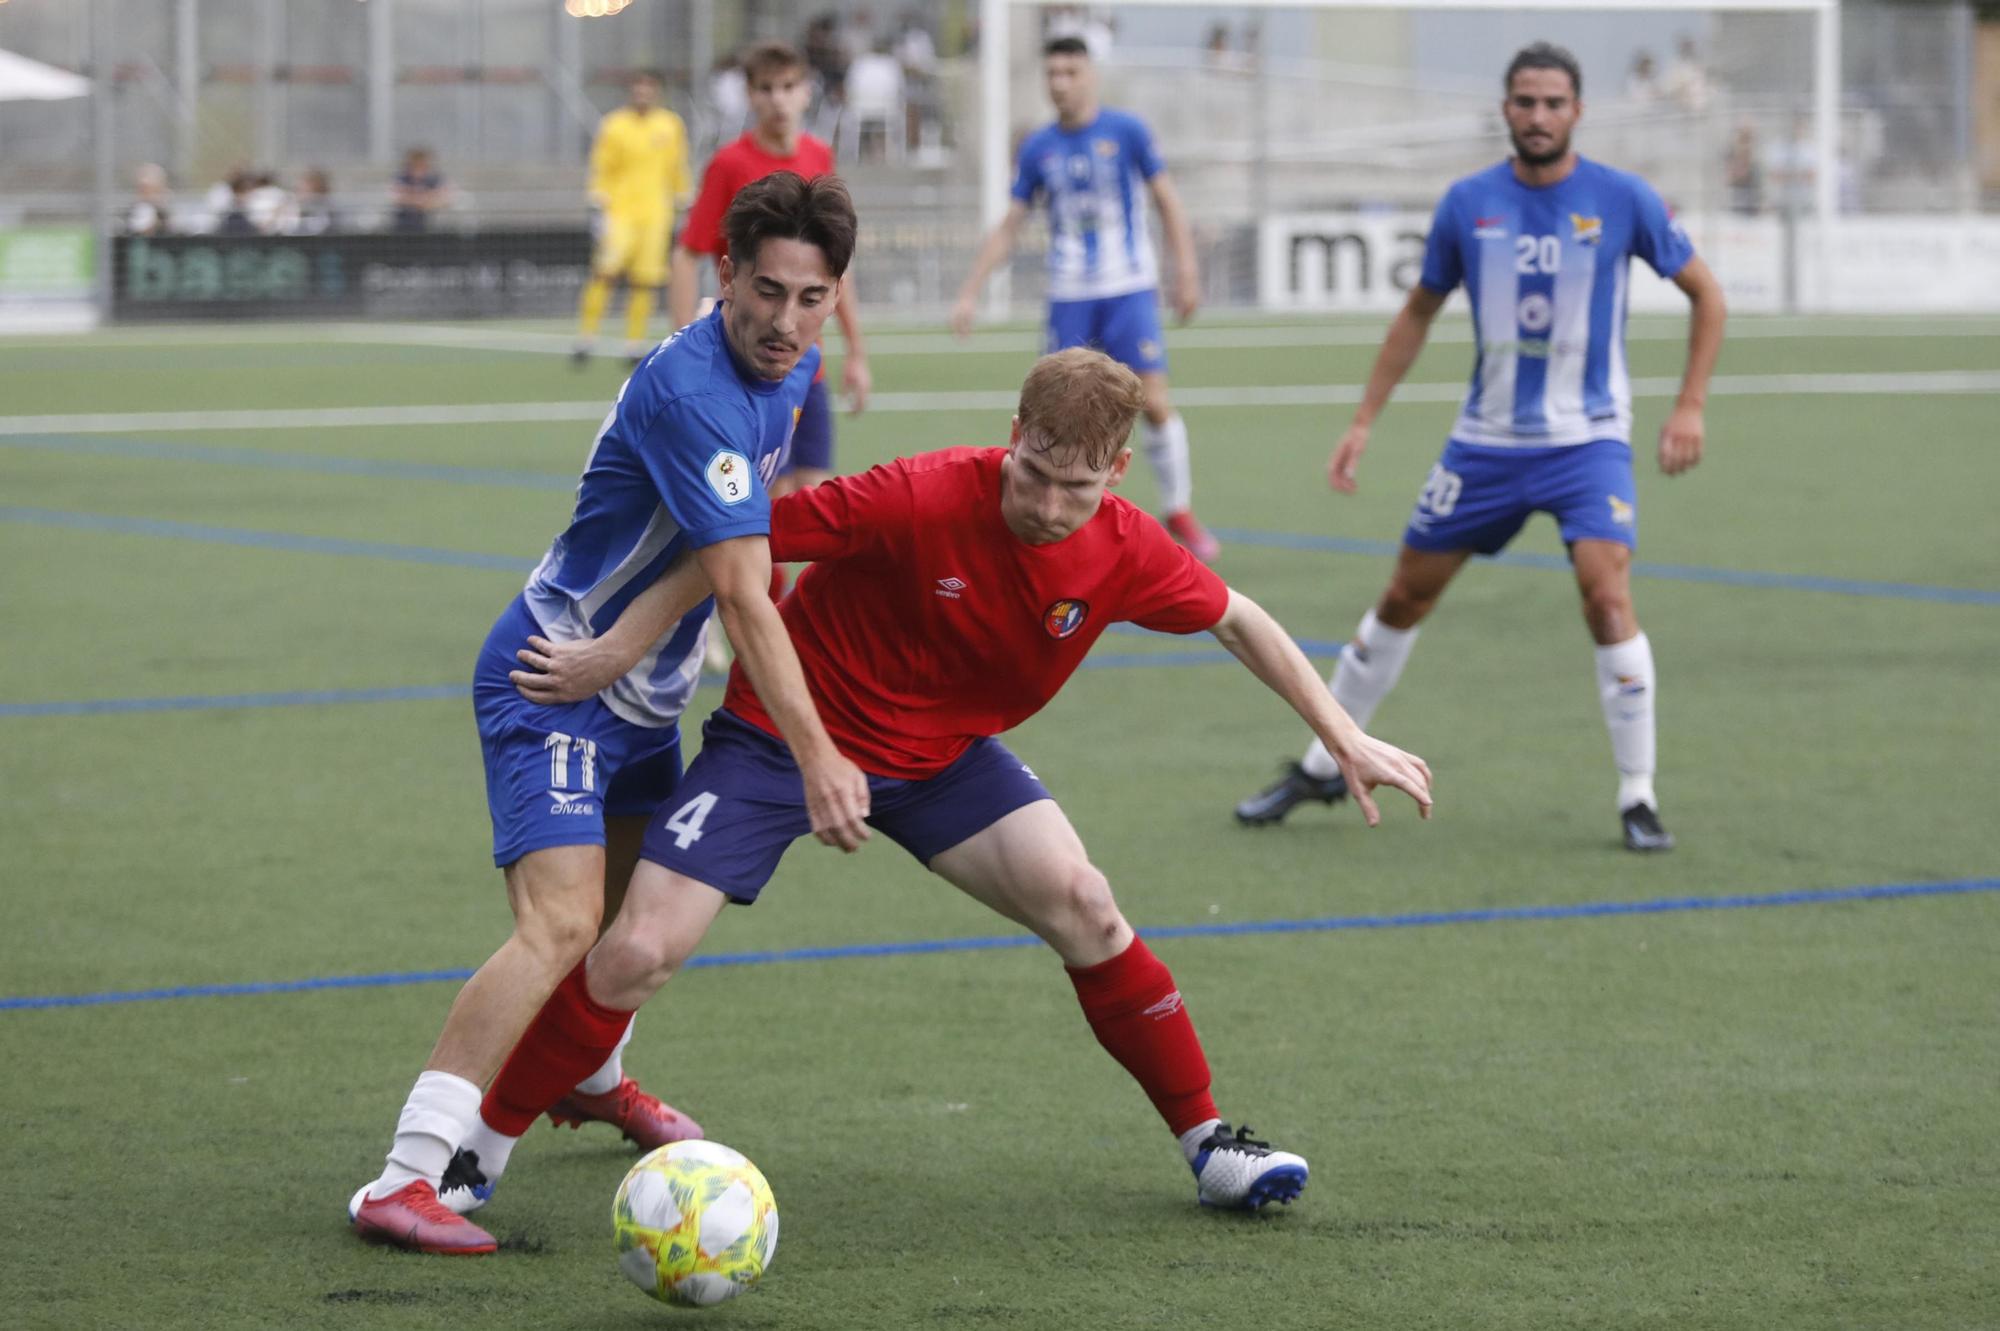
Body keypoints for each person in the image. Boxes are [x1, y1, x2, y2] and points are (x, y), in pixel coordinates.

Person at [432, 348, 1434, 1221]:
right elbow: (738, 542)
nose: (1047, 507)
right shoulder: (917, 493)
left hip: (944, 758)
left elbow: (1238, 617)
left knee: (1086, 903)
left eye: (1075, 489)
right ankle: (475, 1153)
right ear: (1013, 435)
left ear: (1117, 474)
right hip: (782, 743)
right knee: (636, 948)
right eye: (1033, 474)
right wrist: (619, 645)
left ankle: (1210, 1144)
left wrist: (1338, 731)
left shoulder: (1124, 546)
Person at [346, 173, 872, 1256]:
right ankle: (403, 1175)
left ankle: (587, 1077)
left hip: (633, 693)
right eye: (764, 291)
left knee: (633, 924)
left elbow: (737, 542)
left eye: (809, 298)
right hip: (553, 678)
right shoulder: (695, 393)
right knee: (560, 926)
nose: (783, 322)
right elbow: (739, 584)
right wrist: (816, 754)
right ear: (722, 274)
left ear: (834, 297)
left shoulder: (791, 364)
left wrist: (636, 647)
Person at [1234, 42, 1726, 853]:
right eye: (1524, 102)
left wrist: (1691, 407)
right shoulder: (1468, 204)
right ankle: (1326, 764)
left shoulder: (1623, 199)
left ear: (1578, 111)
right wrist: (1363, 421)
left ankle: (1638, 794)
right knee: (1401, 598)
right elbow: (1418, 311)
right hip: (1484, 447)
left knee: (1606, 597)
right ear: (1505, 108)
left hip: (1587, 442)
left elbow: (1707, 293)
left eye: (1553, 103)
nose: (1538, 117)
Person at [951, 36, 1218, 564]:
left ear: (1090, 76)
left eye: (1070, 72)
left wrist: (1184, 270)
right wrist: (970, 291)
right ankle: (1064, 519)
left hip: (1129, 289)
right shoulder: (1038, 147)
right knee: (1058, 417)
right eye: (1053, 74)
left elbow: (1167, 202)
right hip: (1069, 296)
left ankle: (1179, 509)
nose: (1060, 83)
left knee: (1156, 405)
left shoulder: (1127, 131)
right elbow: (1011, 224)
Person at [674, 43, 869, 498]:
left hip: (806, 364)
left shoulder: (819, 157)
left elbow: (838, 266)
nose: (778, 99)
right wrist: (683, 341)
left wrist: (857, 351)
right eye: (766, 89)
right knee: (764, 509)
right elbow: (687, 253)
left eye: (788, 87)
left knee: (815, 502)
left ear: (806, 92)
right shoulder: (729, 165)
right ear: (750, 95)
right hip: (749, 362)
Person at [573, 72, 695, 368]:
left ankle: (633, 343)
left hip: (656, 213)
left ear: (656, 92)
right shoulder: (614, 125)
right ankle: (586, 337)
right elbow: (602, 165)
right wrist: (598, 199)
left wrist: (684, 195)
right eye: (637, 89)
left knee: (646, 279)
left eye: (648, 89)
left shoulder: (670, 125)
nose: (642, 94)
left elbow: (677, 166)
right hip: (621, 211)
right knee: (606, 271)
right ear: (631, 92)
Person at [391, 148, 451, 233]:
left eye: (422, 165)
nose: (418, 168)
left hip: (431, 226)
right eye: (415, 165)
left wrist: (416, 199)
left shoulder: (435, 178)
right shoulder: (402, 178)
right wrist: (422, 200)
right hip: (403, 226)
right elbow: (397, 197)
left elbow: (445, 198)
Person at [126, 163, 175, 236]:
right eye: (142, 189)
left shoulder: (165, 211)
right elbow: (138, 229)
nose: (146, 193)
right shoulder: (136, 210)